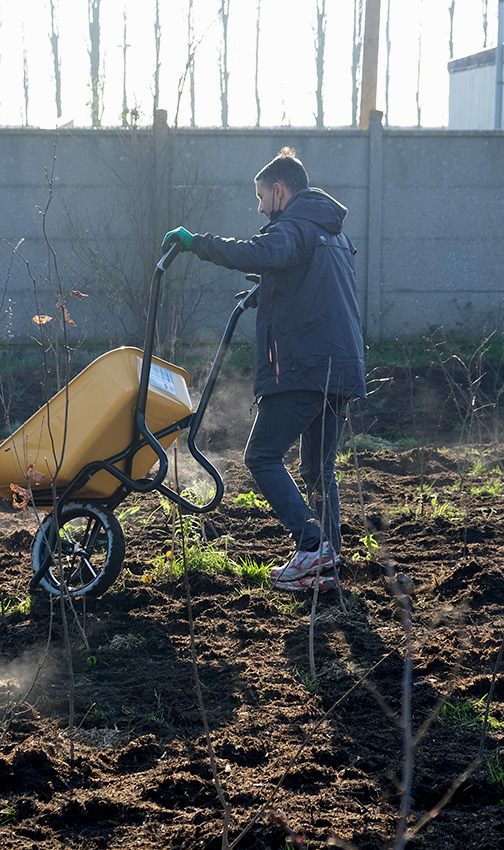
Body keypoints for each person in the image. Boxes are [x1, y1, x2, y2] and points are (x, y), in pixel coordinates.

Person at [164, 147, 366, 592]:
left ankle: (311, 545)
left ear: (279, 190)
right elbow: (311, 284)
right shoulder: (330, 233)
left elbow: (260, 252)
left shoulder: (294, 225)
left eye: (260, 197)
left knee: (261, 455)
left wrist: (196, 242)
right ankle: (325, 565)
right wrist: (269, 291)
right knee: (319, 469)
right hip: (342, 368)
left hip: (305, 367)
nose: (259, 207)